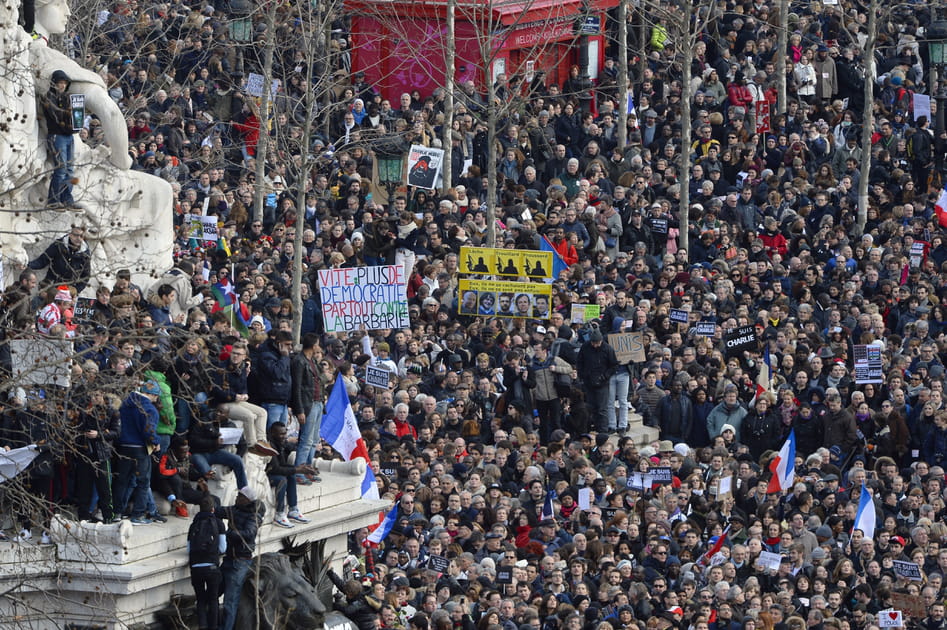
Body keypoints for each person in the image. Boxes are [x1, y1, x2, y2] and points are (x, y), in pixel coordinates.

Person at [112, 380, 163, 525]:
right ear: (151, 395)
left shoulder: (125, 404)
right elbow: (149, 432)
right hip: (140, 449)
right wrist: (156, 441)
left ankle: (117, 513)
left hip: (123, 447)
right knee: (143, 482)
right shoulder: (149, 409)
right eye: (155, 396)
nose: (156, 399)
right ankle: (137, 515)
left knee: (122, 481)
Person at [219, 486, 264, 630]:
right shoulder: (235, 510)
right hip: (228, 559)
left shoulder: (254, 516)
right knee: (213, 593)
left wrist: (229, 534)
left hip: (240, 562)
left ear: (247, 499)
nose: (237, 498)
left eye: (240, 496)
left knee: (230, 603)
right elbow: (220, 511)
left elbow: (249, 533)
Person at [40, 68, 78, 209]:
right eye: (60, 82)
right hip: (57, 136)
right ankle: (53, 200)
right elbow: (57, 115)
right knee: (60, 169)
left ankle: (67, 199)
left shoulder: (67, 97)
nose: (62, 85)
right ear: (54, 83)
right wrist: (70, 116)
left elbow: (74, 115)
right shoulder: (48, 97)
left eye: (64, 83)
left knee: (70, 170)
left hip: (69, 136)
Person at [265, 422, 316, 528]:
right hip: (266, 475)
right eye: (281, 434)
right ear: (272, 434)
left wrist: (300, 469)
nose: (284, 436)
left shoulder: (281, 443)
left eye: (285, 433)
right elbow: (275, 468)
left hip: (274, 471)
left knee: (291, 475)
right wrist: (297, 469)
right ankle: (279, 514)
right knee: (282, 479)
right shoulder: (269, 445)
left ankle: (293, 510)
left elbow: (282, 464)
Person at [187, 495, 226, 630]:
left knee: (201, 599)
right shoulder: (219, 524)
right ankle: (213, 627)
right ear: (213, 509)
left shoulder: (193, 525)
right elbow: (222, 548)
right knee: (213, 599)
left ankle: (202, 626)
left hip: (196, 568)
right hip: (212, 567)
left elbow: (189, 548)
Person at [291, 333, 324, 485]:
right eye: (318, 344)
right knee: (306, 440)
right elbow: (296, 387)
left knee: (313, 440)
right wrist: (299, 410)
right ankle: (299, 471)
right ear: (313, 345)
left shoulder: (312, 361)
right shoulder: (299, 361)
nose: (319, 347)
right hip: (307, 404)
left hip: (317, 403)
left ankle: (308, 468)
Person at [576, 328, 618, 432]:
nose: (595, 345)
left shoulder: (608, 349)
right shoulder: (585, 347)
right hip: (588, 382)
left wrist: (605, 376)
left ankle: (603, 430)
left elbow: (614, 366)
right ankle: (592, 427)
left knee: (602, 409)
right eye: (593, 343)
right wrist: (583, 375)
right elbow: (579, 362)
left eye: (597, 343)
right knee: (590, 407)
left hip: (602, 383)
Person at [28, 226, 91, 292]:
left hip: (68, 289)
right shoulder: (59, 245)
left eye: (81, 236)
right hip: (52, 284)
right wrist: (27, 265)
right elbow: (42, 260)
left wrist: (76, 290)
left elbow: (85, 276)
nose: (78, 238)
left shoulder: (85, 254)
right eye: (76, 235)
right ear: (70, 234)